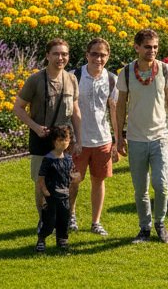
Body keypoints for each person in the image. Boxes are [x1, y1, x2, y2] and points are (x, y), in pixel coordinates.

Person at [115, 28, 168, 245]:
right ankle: (144, 228)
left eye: (155, 47)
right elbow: (120, 104)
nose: (152, 51)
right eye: (147, 47)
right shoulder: (126, 72)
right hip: (135, 138)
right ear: (136, 47)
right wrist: (119, 136)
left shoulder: (164, 70)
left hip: (160, 136)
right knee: (140, 188)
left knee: (162, 184)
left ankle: (160, 223)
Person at [13, 38, 82, 215]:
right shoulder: (35, 80)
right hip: (41, 138)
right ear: (47, 56)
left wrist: (79, 139)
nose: (61, 58)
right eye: (56, 54)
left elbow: (75, 110)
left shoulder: (72, 79)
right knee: (41, 181)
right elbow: (18, 108)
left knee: (70, 180)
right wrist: (35, 127)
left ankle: (67, 215)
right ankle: (44, 218)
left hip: (64, 140)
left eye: (64, 54)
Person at [69, 37, 119, 236]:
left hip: (103, 139)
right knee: (73, 180)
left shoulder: (112, 79)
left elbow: (114, 111)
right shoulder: (74, 76)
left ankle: (95, 222)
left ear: (108, 57)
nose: (98, 58)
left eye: (103, 55)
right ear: (87, 55)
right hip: (78, 140)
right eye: (95, 54)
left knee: (99, 181)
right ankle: (70, 215)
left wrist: (117, 140)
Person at [35, 125, 80, 252]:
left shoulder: (68, 158)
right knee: (49, 221)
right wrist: (45, 193)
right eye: (61, 140)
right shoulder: (48, 159)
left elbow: (71, 173)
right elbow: (41, 178)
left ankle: (62, 239)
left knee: (63, 219)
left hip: (64, 195)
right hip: (51, 196)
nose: (64, 143)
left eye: (67, 139)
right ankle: (42, 238)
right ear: (54, 141)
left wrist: (75, 177)